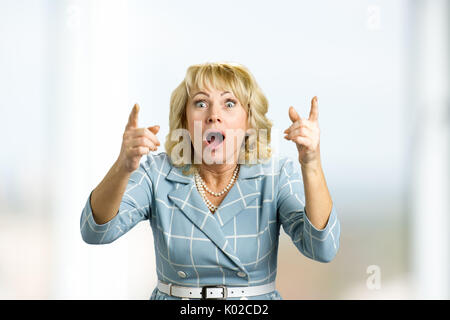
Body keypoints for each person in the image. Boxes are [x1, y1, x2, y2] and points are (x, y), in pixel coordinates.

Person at [80, 62, 340, 300]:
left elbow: (323, 248)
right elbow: (95, 231)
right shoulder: (156, 173)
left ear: (250, 121)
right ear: (184, 119)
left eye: (229, 104)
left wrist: (312, 163)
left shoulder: (276, 175)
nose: (214, 115)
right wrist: (123, 167)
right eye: (201, 103)